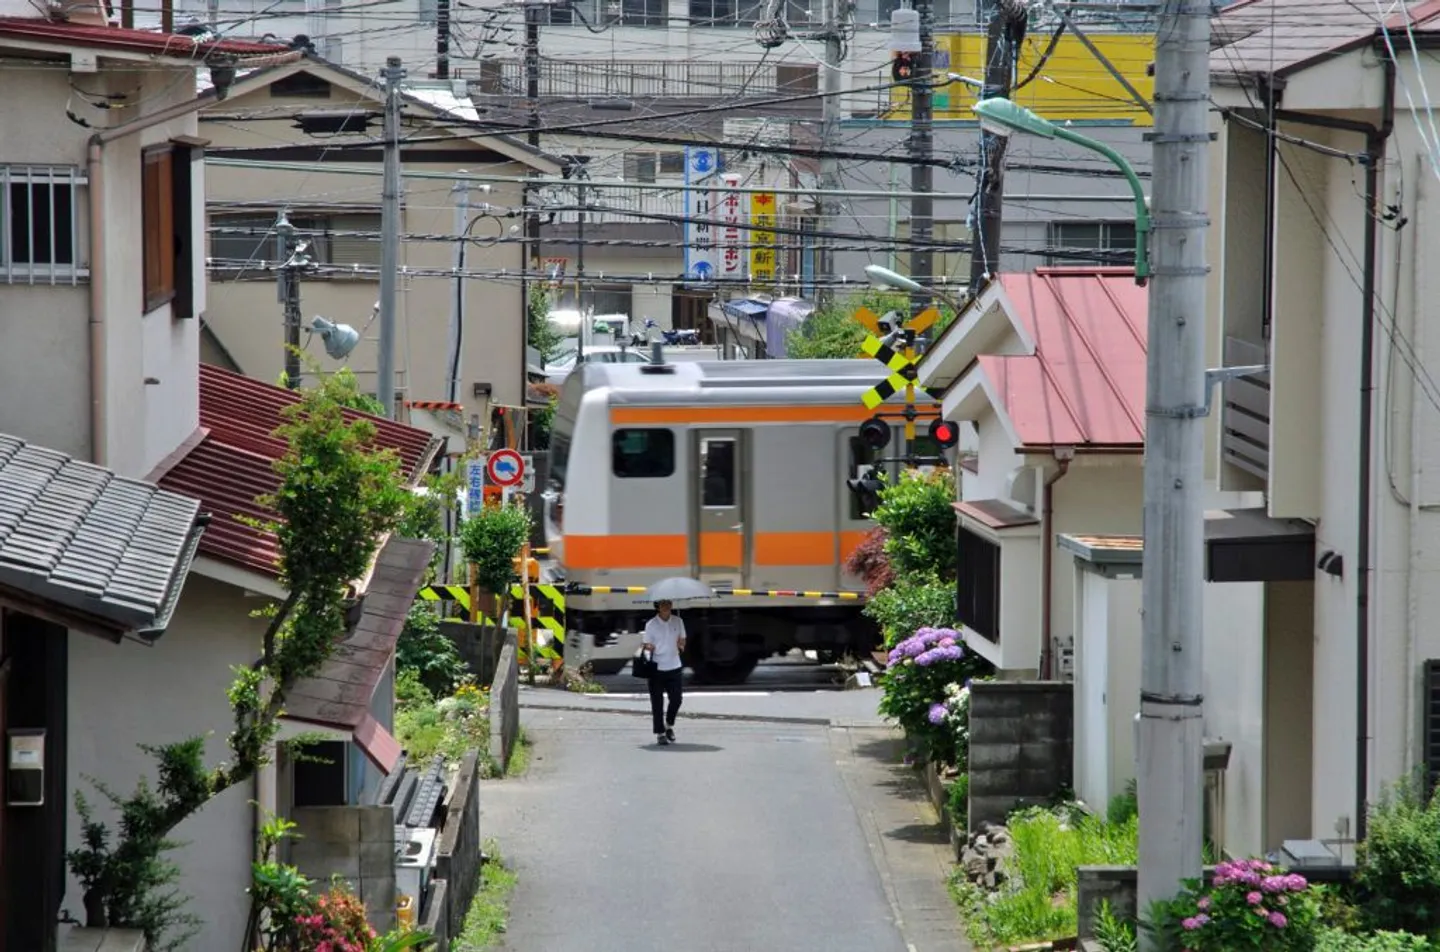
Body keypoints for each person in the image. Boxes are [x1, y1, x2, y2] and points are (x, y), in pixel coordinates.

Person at [642, 599, 686, 745]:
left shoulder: (678, 621)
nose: (666, 606)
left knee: (677, 699)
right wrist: (649, 647)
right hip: (657, 668)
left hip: (674, 666)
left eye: (669, 603)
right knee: (657, 703)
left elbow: (683, 640)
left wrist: (681, 644)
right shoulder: (651, 624)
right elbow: (646, 644)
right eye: (663, 604)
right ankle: (660, 733)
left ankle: (669, 725)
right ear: (658, 607)